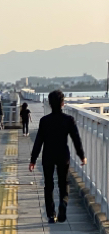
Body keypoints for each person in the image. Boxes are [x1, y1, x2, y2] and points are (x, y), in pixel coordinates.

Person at [29, 89, 86, 223]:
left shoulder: (44, 121)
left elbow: (38, 141)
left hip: (48, 155)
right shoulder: (68, 120)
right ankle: (63, 205)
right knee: (63, 183)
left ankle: (51, 214)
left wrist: (32, 160)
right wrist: (82, 156)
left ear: (49, 103)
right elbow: (76, 139)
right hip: (63, 155)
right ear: (62, 103)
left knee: (48, 185)